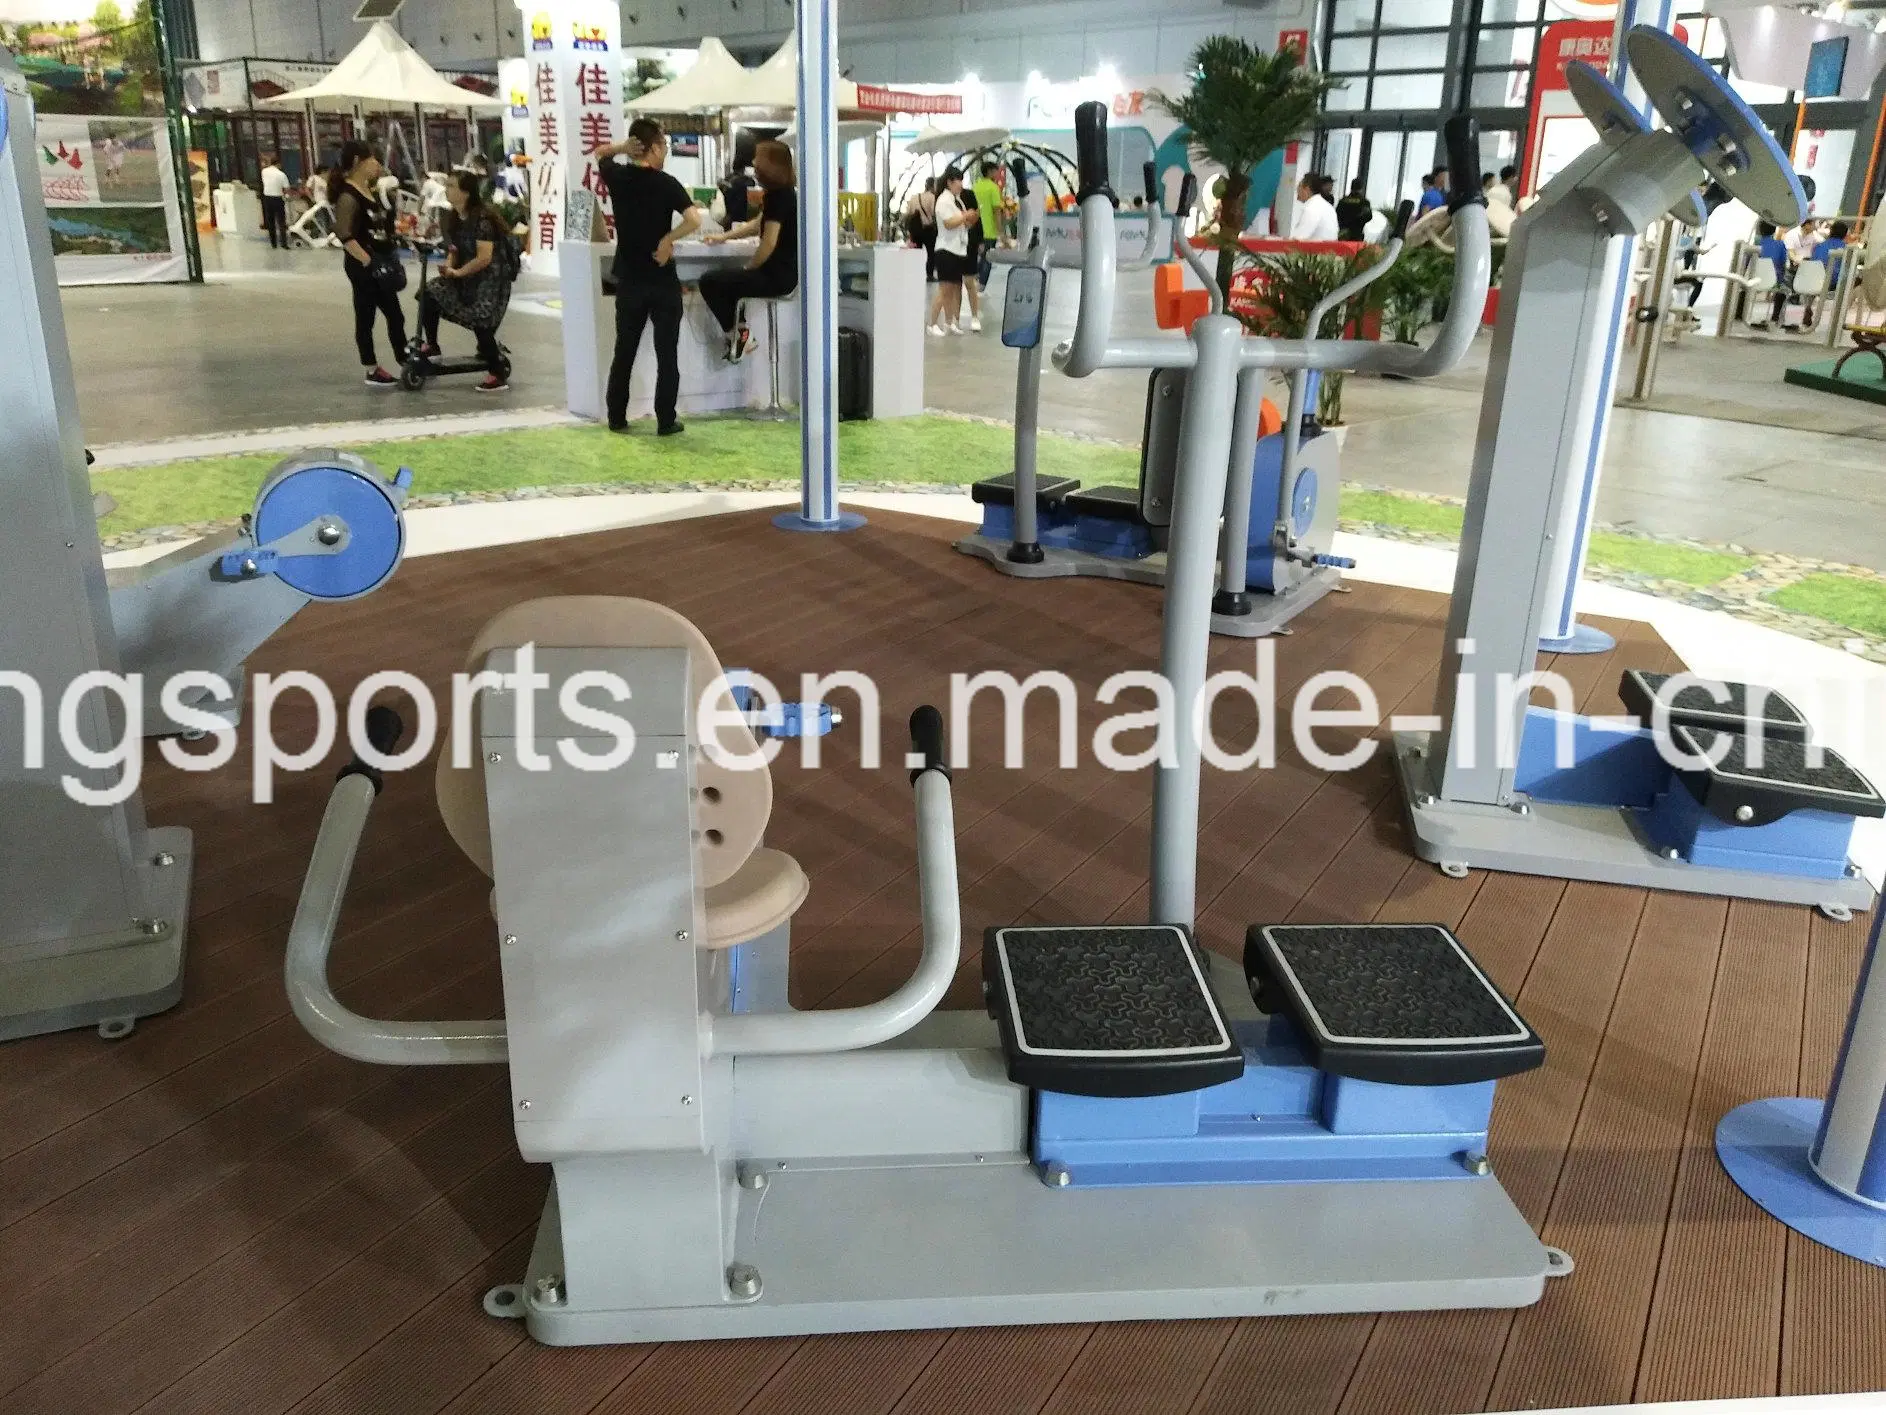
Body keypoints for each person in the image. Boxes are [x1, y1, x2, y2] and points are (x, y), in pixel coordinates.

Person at [593, 118, 702, 435]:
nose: (666, 151)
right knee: (667, 353)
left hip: (629, 277)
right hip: (661, 277)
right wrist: (669, 240)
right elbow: (694, 218)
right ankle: (665, 420)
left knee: (624, 350)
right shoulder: (666, 183)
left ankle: (616, 417)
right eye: (664, 145)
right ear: (653, 148)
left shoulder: (618, 177)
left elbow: (601, 153)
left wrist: (620, 148)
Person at [414, 170, 516, 392]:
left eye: (452, 186)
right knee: (429, 293)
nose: (447, 190)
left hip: (490, 279)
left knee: (482, 320)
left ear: (466, 192)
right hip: (466, 274)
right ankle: (432, 346)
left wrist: (458, 273)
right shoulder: (453, 218)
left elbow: (485, 257)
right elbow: (454, 248)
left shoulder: (483, 220)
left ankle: (497, 372)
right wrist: (450, 266)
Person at [699, 139, 800, 363]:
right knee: (728, 283)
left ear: (772, 164)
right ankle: (741, 334)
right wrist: (724, 236)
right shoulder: (782, 194)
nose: (754, 163)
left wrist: (750, 266)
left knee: (709, 282)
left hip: (777, 278)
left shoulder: (779, 197)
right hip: (784, 275)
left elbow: (769, 242)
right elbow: (757, 225)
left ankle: (740, 335)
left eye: (759, 158)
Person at [330, 139, 408, 386]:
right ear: (358, 162)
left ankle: (405, 358)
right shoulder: (348, 195)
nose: (377, 164)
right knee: (366, 317)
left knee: (395, 315)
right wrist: (367, 261)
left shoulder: (370, 190)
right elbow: (345, 234)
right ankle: (371, 367)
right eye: (373, 159)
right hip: (364, 266)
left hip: (381, 262)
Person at [926, 166, 978, 335]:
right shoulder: (943, 200)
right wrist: (965, 216)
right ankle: (932, 323)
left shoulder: (957, 200)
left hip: (958, 250)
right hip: (946, 250)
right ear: (949, 182)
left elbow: (963, 223)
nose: (961, 185)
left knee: (955, 288)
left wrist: (970, 217)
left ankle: (949, 322)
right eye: (958, 181)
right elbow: (949, 223)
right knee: (944, 289)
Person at [1756, 219, 1792, 326]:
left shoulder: (1754, 244)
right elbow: (1783, 264)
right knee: (1784, 289)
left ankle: (1739, 314)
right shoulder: (1780, 245)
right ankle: (1776, 316)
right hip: (1774, 281)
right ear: (1774, 230)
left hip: (1754, 280)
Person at [1293, 173, 1339, 243]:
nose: (1296, 190)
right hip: (1328, 251)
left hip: (1315, 252)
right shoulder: (1325, 206)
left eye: (1299, 186)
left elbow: (1299, 238)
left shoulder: (1312, 208)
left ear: (1307, 190)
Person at [259, 152, 290, 249]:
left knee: (270, 221)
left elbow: (265, 166)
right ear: (279, 164)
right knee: (281, 221)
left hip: (267, 198)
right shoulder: (281, 174)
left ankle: (273, 243)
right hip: (278, 198)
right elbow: (286, 188)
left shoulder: (264, 172)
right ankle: (284, 244)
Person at [1334, 177, 1371, 242]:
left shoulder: (1343, 201)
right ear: (1361, 188)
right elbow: (1368, 216)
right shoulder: (1364, 202)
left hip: (1343, 234)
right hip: (1357, 234)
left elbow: (1336, 215)